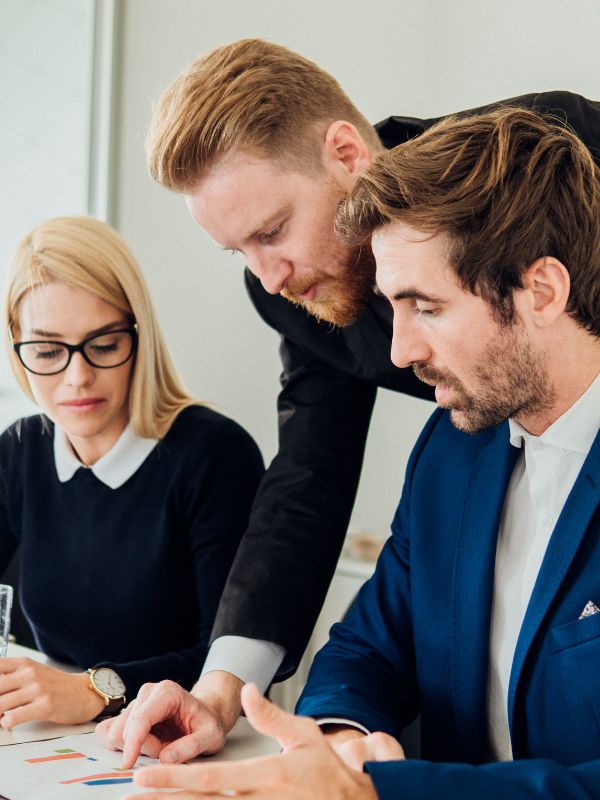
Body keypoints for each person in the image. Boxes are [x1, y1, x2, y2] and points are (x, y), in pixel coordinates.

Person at [97, 38, 600, 765]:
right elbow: (308, 478)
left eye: (271, 232)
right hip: (497, 450)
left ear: (345, 151)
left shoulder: (548, 151)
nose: (267, 278)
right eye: (239, 252)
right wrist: (222, 691)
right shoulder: (438, 450)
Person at [0, 216, 263, 727]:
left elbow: (225, 661)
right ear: (17, 348)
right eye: (48, 350)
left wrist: (97, 689)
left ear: (138, 336)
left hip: (186, 732)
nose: (77, 377)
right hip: (59, 735)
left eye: (103, 345)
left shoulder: (213, 455)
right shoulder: (20, 449)